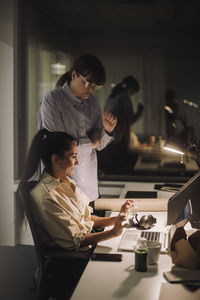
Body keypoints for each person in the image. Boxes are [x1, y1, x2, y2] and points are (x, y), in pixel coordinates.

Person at [18, 129, 134, 251]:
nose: (77, 162)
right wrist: (114, 232)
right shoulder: (45, 196)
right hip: (73, 257)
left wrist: (118, 219)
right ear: (55, 159)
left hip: (88, 245)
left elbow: (87, 219)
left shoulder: (66, 182)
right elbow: (77, 240)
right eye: (73, 156)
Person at [37, 54, 117, 204]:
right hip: (62, 188)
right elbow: (58, 146)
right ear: (74, 75)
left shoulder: (92, 103)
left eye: (97, 86)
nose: (92, 90)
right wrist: (90, 143)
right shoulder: (53, 100)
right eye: (89, 84)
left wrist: (107, 130)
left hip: (89, 188)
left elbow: (99, 144)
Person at [98, 76, 144, 175]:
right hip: (119, 138)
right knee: (120, 170)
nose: (132, 94)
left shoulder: (111, 97)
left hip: (107, 136)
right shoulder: (124, 98)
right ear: (130, 88)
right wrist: (140, 112)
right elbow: (130, 119)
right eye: (133, 91)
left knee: (111, 169)